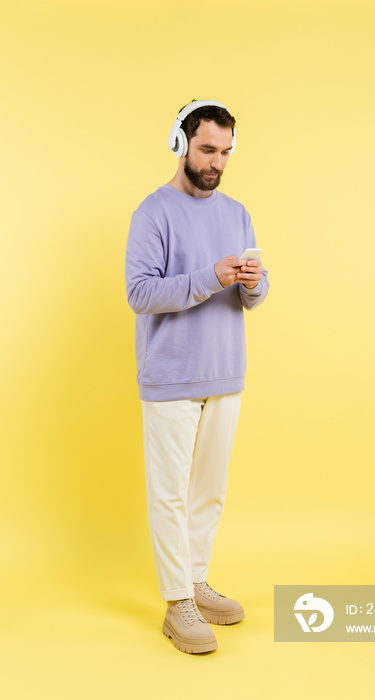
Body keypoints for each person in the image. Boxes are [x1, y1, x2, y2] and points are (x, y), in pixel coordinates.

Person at [125, 99, 269, 654]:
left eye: (226, 152)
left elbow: (253, 298)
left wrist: (252, 283)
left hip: (224, 372)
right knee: (170, 496)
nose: (217, 162)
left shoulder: (237, 212)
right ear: (180, 144)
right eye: (208, 150)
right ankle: (176, 603)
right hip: (170, 376)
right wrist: (208, 277)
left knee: (209, 492)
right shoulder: (152, 213)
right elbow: (140, 294)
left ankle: (197, 581)